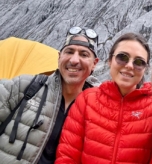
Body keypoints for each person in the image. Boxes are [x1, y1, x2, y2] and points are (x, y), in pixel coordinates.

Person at [55, 32, 152, 164]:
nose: (129, 65)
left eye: (139, 62)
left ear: (145, 69)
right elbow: (67, 155)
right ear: (110, 60)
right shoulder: (87, 100)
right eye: (122, 57)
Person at [0, 26, 100, 164]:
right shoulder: (24, 87)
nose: (74, 60)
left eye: (84, 54)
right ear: (59, 57)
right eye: (69, 52)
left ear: (94, 63)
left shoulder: (99, 109)